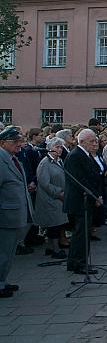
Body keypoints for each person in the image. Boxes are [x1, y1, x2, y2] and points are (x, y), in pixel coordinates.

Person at [0, 126, 35, 297]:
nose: (19, 145)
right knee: (3, 252)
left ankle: (3, 280)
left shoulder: (14, 159)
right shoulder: (1, 160)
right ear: (2, 143)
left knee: (9, 251)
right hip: (5, 215)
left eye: (20, 141)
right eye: (15, 142)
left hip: (16, 213)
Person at [63, 129, 104, 275]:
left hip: (87, 199)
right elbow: (80, 180)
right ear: (81, 142)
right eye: (91, 141)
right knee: (81, 233)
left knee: (82, 233)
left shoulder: (87, 155)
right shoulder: (75, 156)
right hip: (79, 200)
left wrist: (97, 194)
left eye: (95, 141)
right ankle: (78, 262)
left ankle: (77, 261)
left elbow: (95, 175)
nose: (95, 144)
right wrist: (94, 196)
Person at [35, 137, 70, 259]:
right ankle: (55, 249)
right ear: (50, 149)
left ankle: (50, 247)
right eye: (57, 147)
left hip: (60, 197)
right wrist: (58, 192)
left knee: (58, 223)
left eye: (61, 147)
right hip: (50, 198)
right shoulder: (45, 163)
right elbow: (44, 182)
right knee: (54, 224)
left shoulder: (59, 161)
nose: (59, 150)